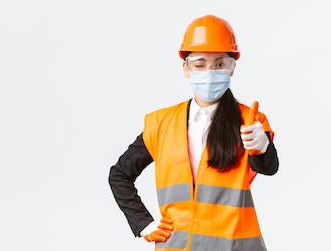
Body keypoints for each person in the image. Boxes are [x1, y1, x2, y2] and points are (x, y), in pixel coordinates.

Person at [108, 14, 279, 251]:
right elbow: (119, 175)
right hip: (178, 246)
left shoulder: (249, 120)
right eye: (200, 64)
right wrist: (143, 224)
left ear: (232, 67)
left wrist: (263, 148)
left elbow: (267, 167)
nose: (210, 72)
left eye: (220, 64)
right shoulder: (161, 124)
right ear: (186, 68)